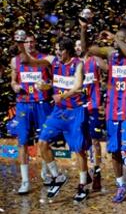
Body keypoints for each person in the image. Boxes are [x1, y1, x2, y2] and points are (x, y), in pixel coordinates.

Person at [17, 36, 92, 202]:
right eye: (56, 49)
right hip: (59, 111)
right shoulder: (53, 61)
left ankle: (82, 186)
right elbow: (29, 61)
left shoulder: (78, 64)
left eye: (60, 49)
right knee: (42, 143)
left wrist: (62, 95)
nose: (57, 52)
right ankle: (57, 177)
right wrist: (21, 46)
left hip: (75, 111)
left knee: (79, 150)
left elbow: (78, 86)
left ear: (68, 51)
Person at [88, 29, 126, 203]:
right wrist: (84, 30)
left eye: (121, 39)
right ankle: (121, 185)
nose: (115, 43)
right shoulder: (111, 57)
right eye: (116, 41)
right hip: (112, 110)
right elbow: (88, 49)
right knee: (114, 151)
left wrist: (115, 39)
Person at [10, 30, 53, 194]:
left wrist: (46, 85)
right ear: (21, 43)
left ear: (35, 43)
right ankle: (25, 181)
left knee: (44, 139)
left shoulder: (43, 59)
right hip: (23, 103)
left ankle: (46, 174)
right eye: (26, 42)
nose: (29, 44)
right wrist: (14, 86)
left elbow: (52, 81)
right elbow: (13, 81)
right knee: (22, 142)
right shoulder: (15, 61)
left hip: (41, 103)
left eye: (32, 41)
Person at [76, 19, 108, 191]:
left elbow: (110, 70)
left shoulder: (94, 60)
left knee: (95, 141)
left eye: (81, 44)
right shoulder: (75, 64)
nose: (79, 47)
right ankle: (85, 173)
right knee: (81, 142)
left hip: (94, 106)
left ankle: (97, 173)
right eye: (77, 45)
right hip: (79, 107)